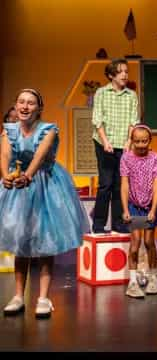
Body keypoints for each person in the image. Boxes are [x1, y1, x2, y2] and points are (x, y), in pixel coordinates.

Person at [0, 89, 89, 318]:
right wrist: (6, 176)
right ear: (16, 105)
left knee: (45, 240)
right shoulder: (8, 131)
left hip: (46, 185)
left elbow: (39, 156)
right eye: (21, 102)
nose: (25, 106)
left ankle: (43, 297)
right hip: (18, 186)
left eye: (30, 103)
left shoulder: (48, 129)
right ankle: (19, 296)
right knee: (20, 240)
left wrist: (27, 176)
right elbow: (4, 157)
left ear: (38, 108)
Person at [91, 58, 139, 234]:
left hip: (123, 145)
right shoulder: (102, 93)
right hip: (104, 143)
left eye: (127, 71)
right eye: (121, 72)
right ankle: (98, 223)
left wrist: (129, 141)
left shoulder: (131, 95)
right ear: (111, 75)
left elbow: (134, 120)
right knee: (106, 183)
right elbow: (97, 119)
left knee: (121, 185)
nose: (125, 75)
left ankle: (118, 223)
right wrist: (105, 141)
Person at [120, 124, 157, 298]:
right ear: (132, 141)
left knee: (149, 242)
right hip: (133, 205)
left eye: (144, 141)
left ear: (149, 140)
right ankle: (132, 282)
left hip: (149, 205)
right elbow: (124, 184)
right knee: (135, 242)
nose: (141, 145)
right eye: (137, 141)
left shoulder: (155, 158)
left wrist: (153, 209)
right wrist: (125, 209)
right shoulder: (126, 158)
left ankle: (153, 278)